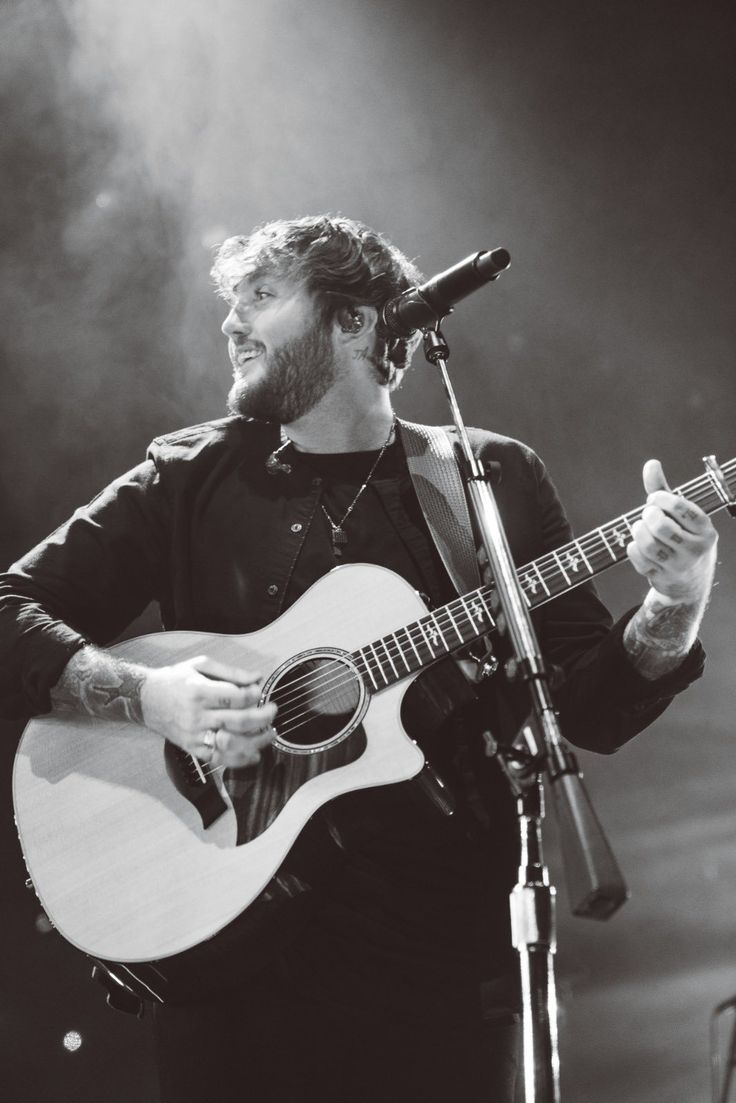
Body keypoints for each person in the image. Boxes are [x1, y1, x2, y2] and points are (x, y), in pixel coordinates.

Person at [0, 215, 717, 1102]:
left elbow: (587, 709)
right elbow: (8, 611)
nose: (230, 323)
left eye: (261, 297)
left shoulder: (487, 479)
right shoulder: (187, 477)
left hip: (439, 979)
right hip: (230, 981)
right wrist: (146, 697)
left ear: (356, 322)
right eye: (233, 301)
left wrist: (673, 601)